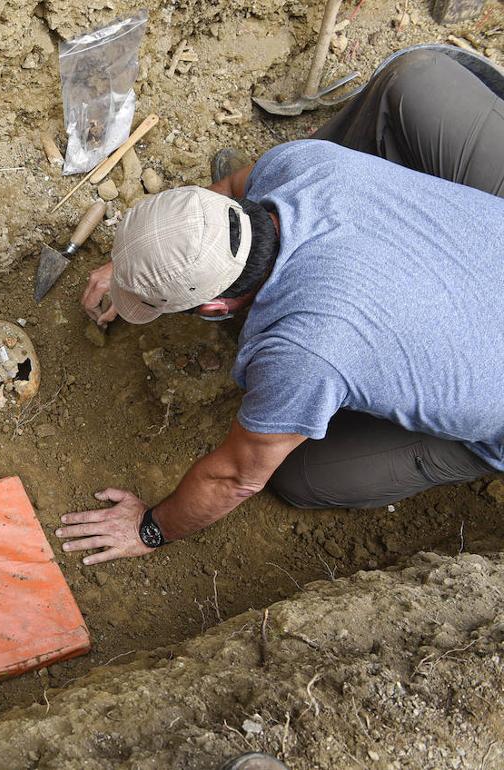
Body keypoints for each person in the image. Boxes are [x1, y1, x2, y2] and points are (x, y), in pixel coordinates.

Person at [56, 47, 504, 565]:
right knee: (416, 75)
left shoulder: (301, 352)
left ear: (219, 308)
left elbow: (234, 477)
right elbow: (227, 187)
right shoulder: (301, 164)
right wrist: (138, 257)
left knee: (300, 476)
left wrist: (149, 528)